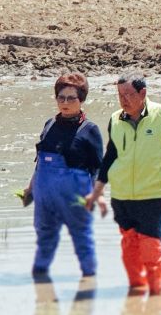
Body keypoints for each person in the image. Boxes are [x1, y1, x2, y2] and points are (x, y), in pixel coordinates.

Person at [84, 75, 161, 296]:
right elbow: (110, 156)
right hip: (121, 195)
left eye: (129, 95)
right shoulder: (115, 119)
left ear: (143, 94)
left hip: (152, 194)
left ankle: (156, 296)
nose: (124, 100)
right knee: (129, 245)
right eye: (120, 95)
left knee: (150, 247)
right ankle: (137, 291)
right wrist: (97, 190)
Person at [25, 72, 104, 280]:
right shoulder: (48, 125)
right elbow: (39, 162)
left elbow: (98, 168)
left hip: (76, 195)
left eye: (71, 98)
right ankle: (41, 283)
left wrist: (97, 196)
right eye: (61, 97)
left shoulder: (90, 130)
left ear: (82, 100)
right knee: (44, 237)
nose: (65, 103)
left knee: (82, 239)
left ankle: (89, 283)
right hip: (45, 194)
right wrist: (30, 189)